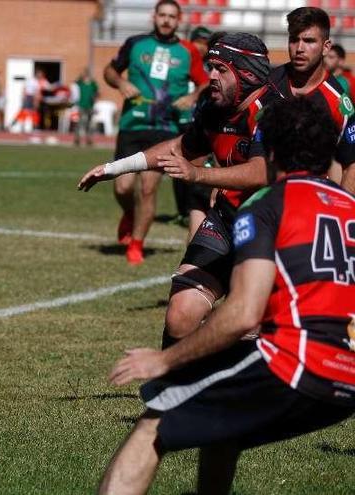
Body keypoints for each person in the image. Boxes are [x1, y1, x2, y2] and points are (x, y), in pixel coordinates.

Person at [98, 96, 355, 495]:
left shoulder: (267, 205)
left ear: (269, 148)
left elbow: (242, 314)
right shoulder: (349, 205)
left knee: (155, 421)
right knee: (222, 426)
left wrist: (164, 359)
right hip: (348, 374)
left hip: (298, 364)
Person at [79, 32, 277, 350]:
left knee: (248, 324)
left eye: (220, 69)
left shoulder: (273, 111)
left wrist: (197, 174)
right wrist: (114, 168)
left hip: (273, 229)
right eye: (210, 67)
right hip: (228, 218)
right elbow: (179, 147)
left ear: (247, 74)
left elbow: (260, 172)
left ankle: (245, 391)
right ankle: (170, 392)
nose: (210, 76)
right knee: (181, 312)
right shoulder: (215, 108)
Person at [104, 0, 208, 264]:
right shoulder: (135, 44)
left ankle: (136, 245)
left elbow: (205, 82)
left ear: (179, 20)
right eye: (162, 15)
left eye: (172, 16)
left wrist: (193, 96)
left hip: (165, 130)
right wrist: (121, 82)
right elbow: (109, 71)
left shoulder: (188, 51)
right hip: (132, 125)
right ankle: (130, 214)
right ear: (154, 16)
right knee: (123, 186)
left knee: (149, 188)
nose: (166, 20)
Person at [263, 8, 355, 198]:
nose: (299, 48)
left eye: (309, 41)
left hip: (308, 203)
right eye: (294, 40)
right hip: (260, 197)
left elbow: (352, 164)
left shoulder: (337, 102)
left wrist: (342, 209)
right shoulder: (267, 84)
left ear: (326, 47)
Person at [171, 26, 213, 239]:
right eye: (199, 42)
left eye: (206, 43)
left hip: (199, 121)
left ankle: (196, 209)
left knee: (198, 165)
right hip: (179, 120)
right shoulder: (183, 60)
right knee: (179, 166)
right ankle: (183, 210)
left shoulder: (211, 67)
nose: (202, 47)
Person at [73, 68, 99, 146]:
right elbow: (76, 81)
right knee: (80, 123)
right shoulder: (81, 83)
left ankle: (89, 139)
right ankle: (77, 139)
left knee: (89, 124)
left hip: (90, 106)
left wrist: (94, 97)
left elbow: (97, 92)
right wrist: (81, 76)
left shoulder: (93, 84)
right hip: (81, 105)